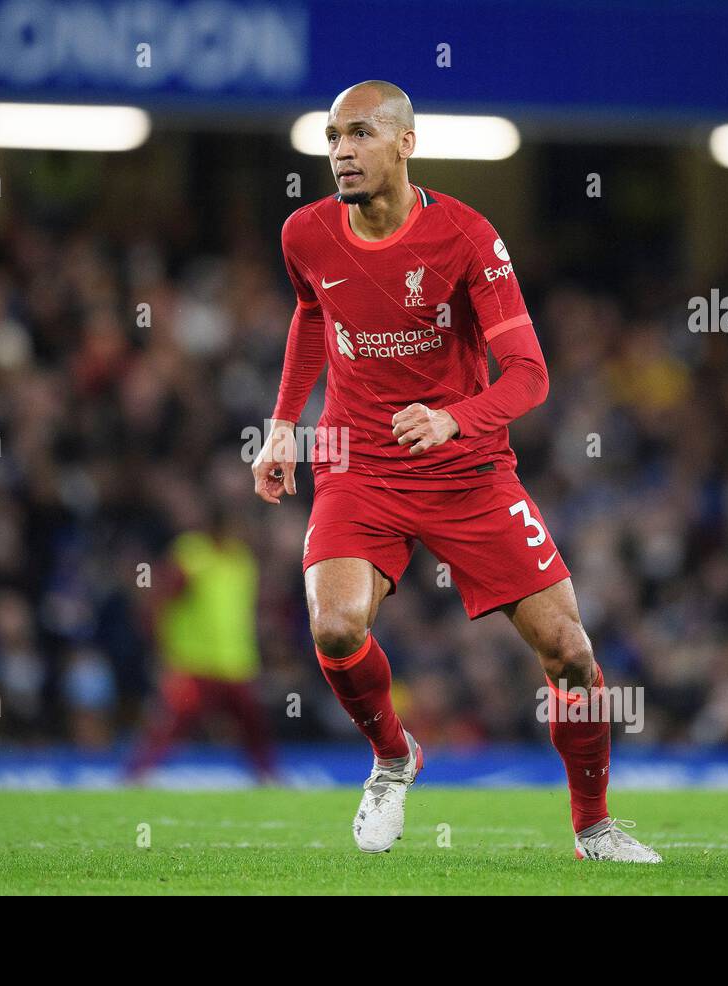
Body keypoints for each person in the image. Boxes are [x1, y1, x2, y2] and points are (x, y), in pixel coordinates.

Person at [252, 80, 660, 862]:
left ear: (406, 142)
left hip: (467, 470)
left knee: (570, 653)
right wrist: (281, 428)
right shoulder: (305, 234)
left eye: (361, 134)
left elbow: (529, 374)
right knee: (335, 627)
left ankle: (594, 826)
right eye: (333, 137)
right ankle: (394, 756)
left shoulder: (468, 237)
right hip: (357, 464)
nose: (341, 151)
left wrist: (452, 418)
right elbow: (313, 314)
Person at [126, 509, 276, 781]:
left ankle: (268, 777)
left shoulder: (243, 561)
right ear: (221, 527)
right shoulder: (192, 555)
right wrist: (161, 647)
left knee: (254, 726)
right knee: (171, 725)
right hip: (193, 660)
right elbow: (161, 599)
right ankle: (137, 775)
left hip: (236, 661)